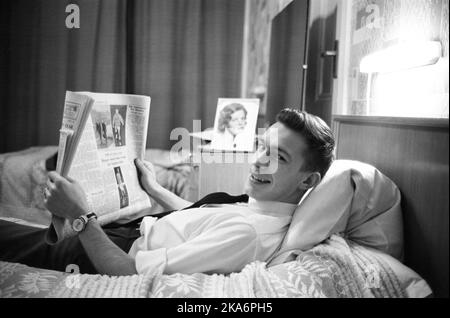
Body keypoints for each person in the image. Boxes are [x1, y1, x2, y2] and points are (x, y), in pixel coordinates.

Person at [0, 109, 335, 276]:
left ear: (308, 181)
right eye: (263, 147)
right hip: (126, 231)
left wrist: (81, 217)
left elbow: (127, 271)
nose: (259, 162)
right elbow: (202, 219)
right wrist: (155, 189)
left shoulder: (245, 233)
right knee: (19, 219)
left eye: (279, 157)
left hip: (104, 250)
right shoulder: (261, 210)